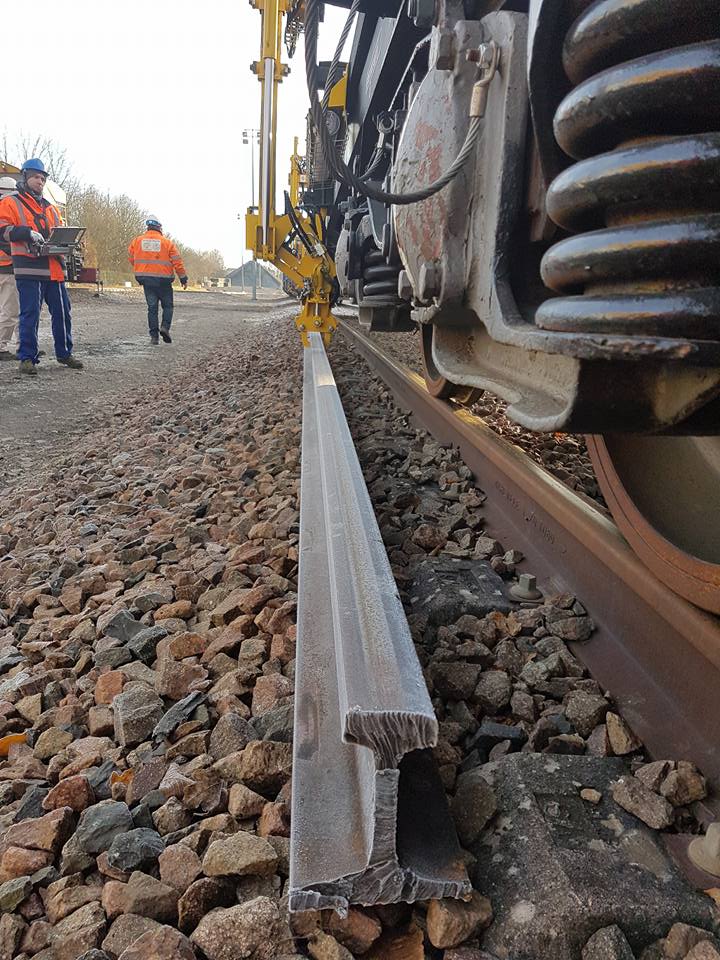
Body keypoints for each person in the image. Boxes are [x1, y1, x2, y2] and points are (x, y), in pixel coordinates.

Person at [0, 158, 83, 376]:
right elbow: (2, 230)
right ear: (25, 177)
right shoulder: (10, 203)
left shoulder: (51, 208)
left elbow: (58, 231)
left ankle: (64, 353)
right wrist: (26, 232)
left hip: (54, 268)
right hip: (28, 268)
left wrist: (68, 242)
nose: (40, 181)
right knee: (30, 314)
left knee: (63, 313)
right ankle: (27, 358)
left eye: (43, 178)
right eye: (36, 177)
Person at [128, 217, 187, 345]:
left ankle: (154, 337)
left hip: (147, 280)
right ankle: (165, 327)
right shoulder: (167, 243)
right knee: (168, 306)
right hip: (164, 281)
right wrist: (183, 278)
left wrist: (142, 268)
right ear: (159, 228)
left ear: (148, 227)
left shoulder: (137, 241)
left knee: (152, 308)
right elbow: (177, 262)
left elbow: (132, 258)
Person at [0, 176, 19, 360]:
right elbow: (7, 241)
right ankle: (1, 347)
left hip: (5, 269)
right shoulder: (6, 210)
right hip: (7, 268)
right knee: (11, 310)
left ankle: (25, 344)